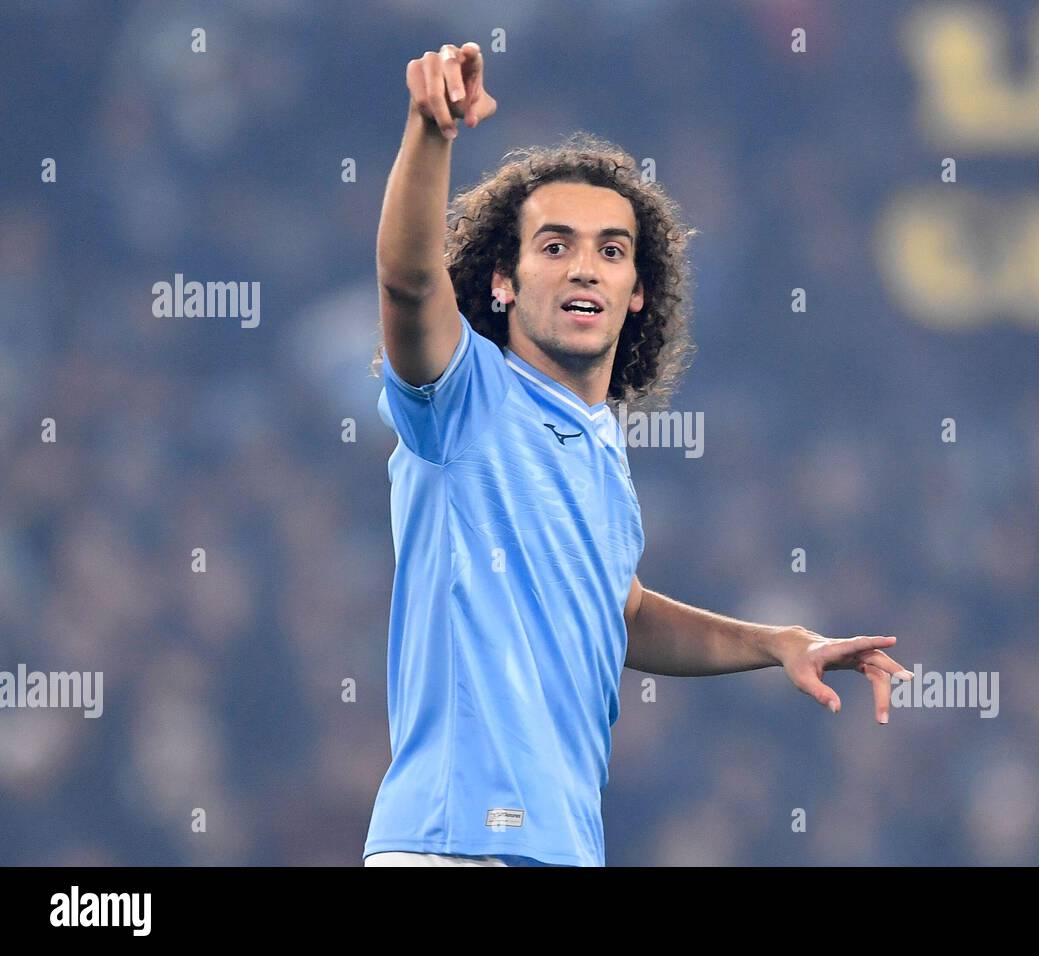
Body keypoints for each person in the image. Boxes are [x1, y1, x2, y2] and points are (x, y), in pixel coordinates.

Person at [363, 42, 911, 867]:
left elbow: (621, 613)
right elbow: (408, 284)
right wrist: (430, 132)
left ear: (638, 290)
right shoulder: (466, 393)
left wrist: (776, 643)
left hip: (561, 848)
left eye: (611, 250)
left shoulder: (603, 447)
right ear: (502, 281)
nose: (585, 264)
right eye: (554, 245)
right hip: (457, 844)